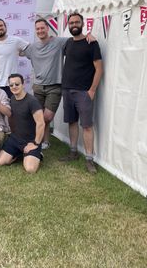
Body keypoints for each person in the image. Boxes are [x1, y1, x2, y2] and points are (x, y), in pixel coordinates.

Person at [23, 17, 96, 150]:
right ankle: (43, 142)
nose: (40, 31)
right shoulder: (32, 48)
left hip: (55, 86)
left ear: (47, 28)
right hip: (38, 86)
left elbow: (76, 39)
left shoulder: (60, 42)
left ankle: (41, 139)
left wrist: (89, 35)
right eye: (37, 29)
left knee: (47, 116)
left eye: (42, 28)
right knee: (39, 116)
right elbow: (16, 49)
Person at [59, 12, 103, 174]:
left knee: (87, 126)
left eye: (77, 22)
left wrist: (92, 90)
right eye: (71, 23)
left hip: (84, 91)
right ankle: (73, 152)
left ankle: (89, 159)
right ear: (68, 25)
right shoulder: (68, 43)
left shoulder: (91, 43)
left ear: (83, 24)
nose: (74, 25)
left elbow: (99, 69)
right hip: (67, 89)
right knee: (71, 122)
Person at [0, 74, 45, 173]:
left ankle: (38, 154)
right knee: (0, 162)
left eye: (17, 84)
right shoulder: (12, 99)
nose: (14, 87)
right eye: (11, 85)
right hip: (15, 139)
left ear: (23, 85)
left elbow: (41, 124)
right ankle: (20, 153)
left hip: (31, 140)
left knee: (30, 169)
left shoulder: (32, 101)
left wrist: (35, 143)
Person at [0, 18, 29, 98]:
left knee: (10, 109)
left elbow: (30, 49)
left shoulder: (16, 41)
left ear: (5, 26)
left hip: (10, 84)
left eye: (1, 25)